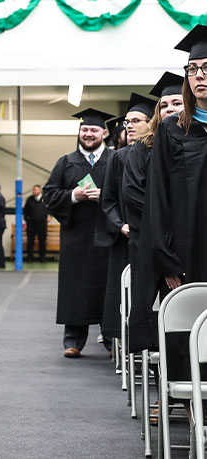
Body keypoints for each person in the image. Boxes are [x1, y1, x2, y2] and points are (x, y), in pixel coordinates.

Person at [143, 25, 207, 381]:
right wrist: (166, 259)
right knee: (189, 337)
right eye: (193, 69)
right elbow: (159, 200)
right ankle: (196, 413)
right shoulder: (173, 130)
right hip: (188, 253)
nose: (199, 76)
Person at [43, 108, 113, 359]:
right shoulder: (66, 162)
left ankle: (111, 339)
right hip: (76, 237)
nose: (88, 134)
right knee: (76, 287)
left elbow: (128, 193)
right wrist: (74, 195)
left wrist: (103, 195)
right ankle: (73, 340)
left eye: (94, 130)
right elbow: (49, 195)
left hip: (108, 234)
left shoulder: (116, 160)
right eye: (84, 130)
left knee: (109, 285)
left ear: (104, 132)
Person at [127, 72, 184, 354]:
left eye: (177, 102)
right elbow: (139, 197)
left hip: (189, 241)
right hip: (154, 242)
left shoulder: (195, 141)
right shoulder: (142, 148)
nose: (170, 109)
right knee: (163, 319)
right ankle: (168, 385)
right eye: (164, 105)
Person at [96, 93, 156, 352]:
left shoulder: (161, 152)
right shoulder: (118, 158)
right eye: (127, 121)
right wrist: (120, 224)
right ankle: (121, 342)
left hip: (155, 237)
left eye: (136, 120)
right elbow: (107, 201)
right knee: (126, 294)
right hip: (127, 238)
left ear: (150, 122)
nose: (129, 125)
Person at [23, 185, 48, 262]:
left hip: (42, 224)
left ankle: (42, 257)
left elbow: (50, 208)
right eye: (33, 189)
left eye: (35, 189)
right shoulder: (29, 199)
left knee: (42, 241)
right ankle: (30, 257)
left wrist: (50, 216)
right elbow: (25, 211)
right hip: (31, 224)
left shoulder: (45, 199)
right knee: (30, 241)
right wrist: (27, 219)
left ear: (40, 190)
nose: (33, 191)